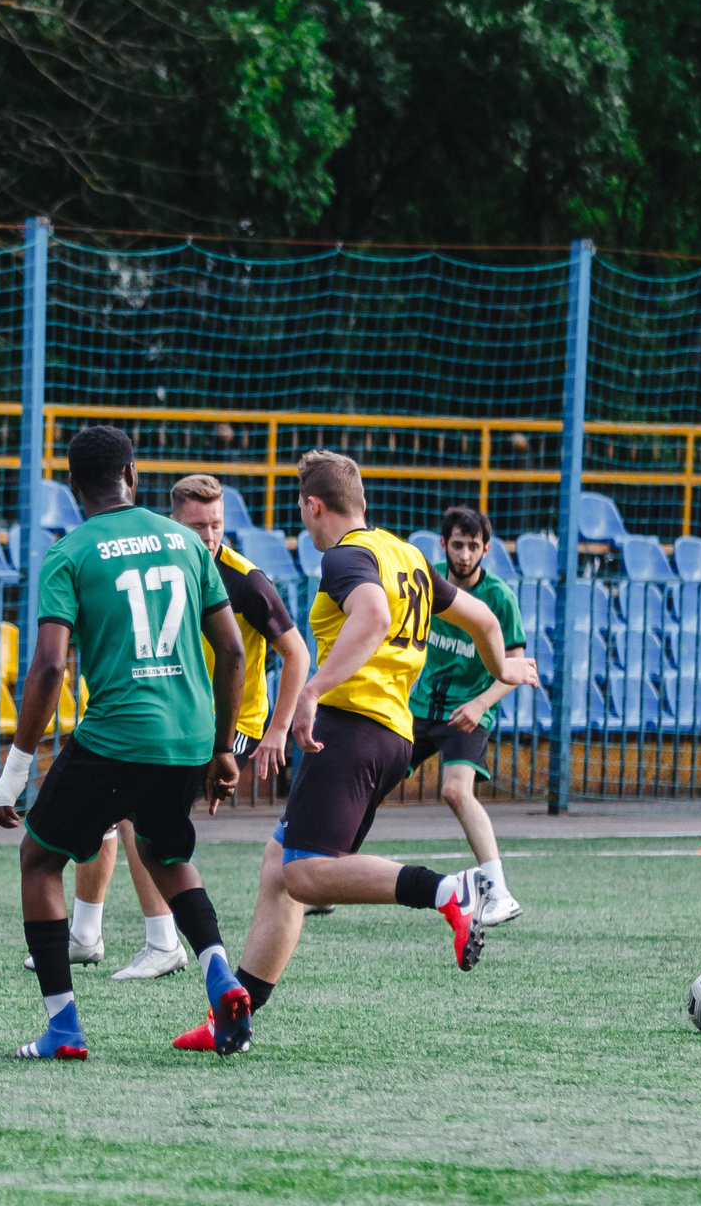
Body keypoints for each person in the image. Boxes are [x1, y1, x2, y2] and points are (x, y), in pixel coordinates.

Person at [171, 451, 538, 1053]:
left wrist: (312, 689)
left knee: (306, 874)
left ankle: (449, 891)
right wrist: (506, 669)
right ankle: (231, 1019)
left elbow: (370, 616)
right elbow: (485, 621)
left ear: (315, 507)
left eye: (302, 513)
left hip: (347, 731)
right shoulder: (410, 555)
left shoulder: (345, 556)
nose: (304, 526)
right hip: (390, 735)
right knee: (280, 866)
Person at [0, 426, 250, 1060]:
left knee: (39, 860)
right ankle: (219, 972)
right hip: (187, 736)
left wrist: (14, 772)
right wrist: (221, 749)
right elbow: (235, 650)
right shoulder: (188, 542)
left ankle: (62, 1027)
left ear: (74, 486)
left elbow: (50, 668)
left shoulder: (69, 552)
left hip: (115, 735)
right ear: (132, 474)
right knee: (166, 855)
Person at [96, 474, 312, 980]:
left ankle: (163, 941)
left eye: (217, 524)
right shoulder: (161, 570)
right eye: (199, 526)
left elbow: (297, 654)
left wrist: (278, 729)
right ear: (175, 525)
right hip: (180, 719)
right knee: (116, 805)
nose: (210, 536)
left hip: (235, 727)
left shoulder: (247, 581)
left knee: (135, 811)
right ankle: (86, 935)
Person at [407, 504, 528, 926]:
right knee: (368, 778)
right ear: (443, 545)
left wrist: (479, 704)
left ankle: (500, 892)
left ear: (486, 549)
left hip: (470, 711)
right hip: (420, 708)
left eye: (472, 546)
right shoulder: (427, 580)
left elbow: (517, 668)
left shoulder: (499, 598)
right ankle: (328, 878)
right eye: (457, 545)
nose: (464, 554)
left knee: (456, 791)